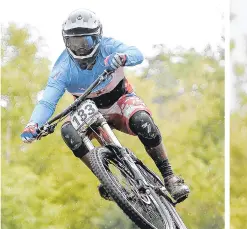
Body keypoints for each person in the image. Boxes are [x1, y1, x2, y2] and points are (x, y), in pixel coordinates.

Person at [20, 9, 189, 203]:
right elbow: (47, 102)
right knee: (68, 131)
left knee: (143, 121)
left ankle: (169, 177)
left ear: (97, 37)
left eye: (86, 41)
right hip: (86, 109)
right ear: (66, 41)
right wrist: (33, 124)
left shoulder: (109, 46)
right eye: (75, 42)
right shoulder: (62, 68)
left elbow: (137, 54)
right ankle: (108, 180)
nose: (81, 48)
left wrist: (123, 58)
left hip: (120, 100)